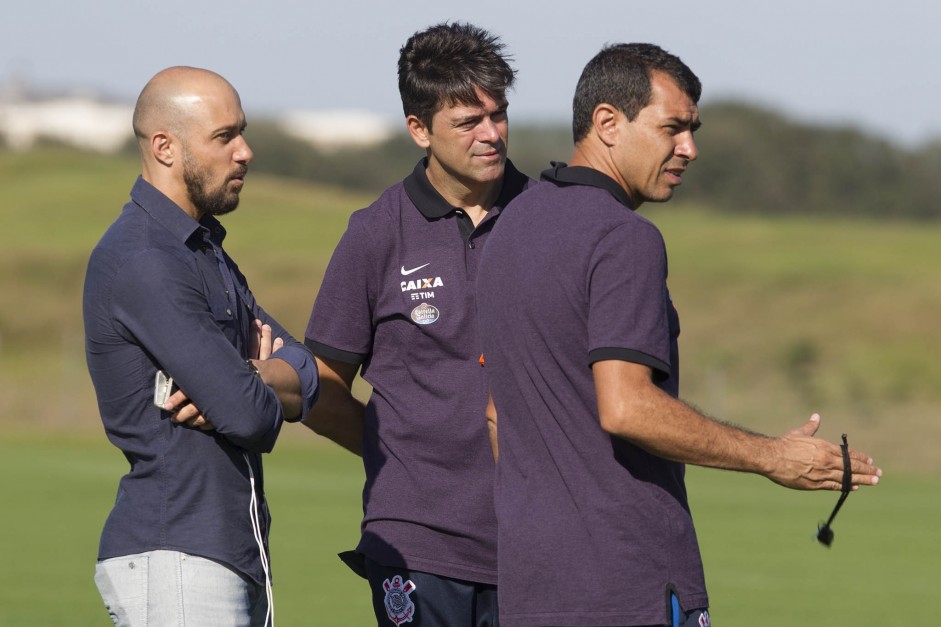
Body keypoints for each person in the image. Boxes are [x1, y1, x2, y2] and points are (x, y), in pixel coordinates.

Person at [476, 43, 883, 627]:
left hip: (528, 583)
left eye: (693, 129)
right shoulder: (624, 238)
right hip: (627, 583)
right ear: (607, 123)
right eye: (673, 128)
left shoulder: (510, 226)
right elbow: (626, 407)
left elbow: (497, 413)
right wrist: (772, 457)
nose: (689, 148)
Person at [301, 22, 532, 626]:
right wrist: (399, 455)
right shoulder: (375, 232)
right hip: (417, 542)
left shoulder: (548, 220)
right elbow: (322, 386)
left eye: (499, 114)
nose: (491, 135)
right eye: (468, 122)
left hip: (540, 537)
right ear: (419, 130)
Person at [83, 66, 319, 627]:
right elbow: (250, 419)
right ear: (165, 147)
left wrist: (251, 374)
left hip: (222, 556)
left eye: (242, 132)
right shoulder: (145, 259)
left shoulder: (201, 251)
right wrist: (250, 387)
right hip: (178, 560)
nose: (246, 152)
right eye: (224, 136)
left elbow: (306, 369)